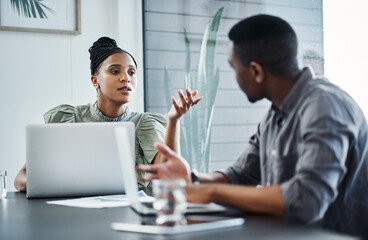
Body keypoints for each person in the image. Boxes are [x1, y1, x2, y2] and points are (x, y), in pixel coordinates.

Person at [138, 14, 368, 238]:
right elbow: (240, 174)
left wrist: (211, 192)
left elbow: (307, 200)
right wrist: (192, 179)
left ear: (256, 71)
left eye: (234, 67)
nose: (235, 77)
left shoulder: (324, 107)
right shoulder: (275, 113)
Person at [14, 36, 202, 193]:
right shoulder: (68, 119)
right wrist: (56, 187)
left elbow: (168, 171)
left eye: (131, 72)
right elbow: (21, 178)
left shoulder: (145, 123)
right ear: (95, 80)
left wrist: (173, 120)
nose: (125, 78)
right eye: (115, 71)